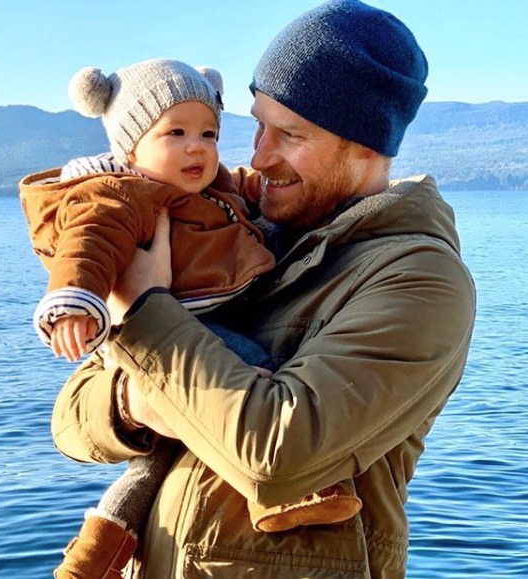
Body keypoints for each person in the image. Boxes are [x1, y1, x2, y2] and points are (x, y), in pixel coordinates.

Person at [51, 1, 477, 577]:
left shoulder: (419, 278)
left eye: (290, 135)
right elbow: (70, 420)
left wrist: (144, 311)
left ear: (366, 144)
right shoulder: (239, 228)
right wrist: (133, 403)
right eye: (257, 125)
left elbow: (277, 457)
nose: (258, 156)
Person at [20, 58, 362, 579]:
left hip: (176, 332)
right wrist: (74, 304)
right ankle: (303, 487)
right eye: (175, 133)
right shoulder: (118, 195)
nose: (197, 147)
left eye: (209, 133)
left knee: (151, 465)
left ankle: (94, 558)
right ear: (130, 145)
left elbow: (246, 188)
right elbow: (87, 246)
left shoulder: (205, 188)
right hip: (182, 324)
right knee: (256, 370)